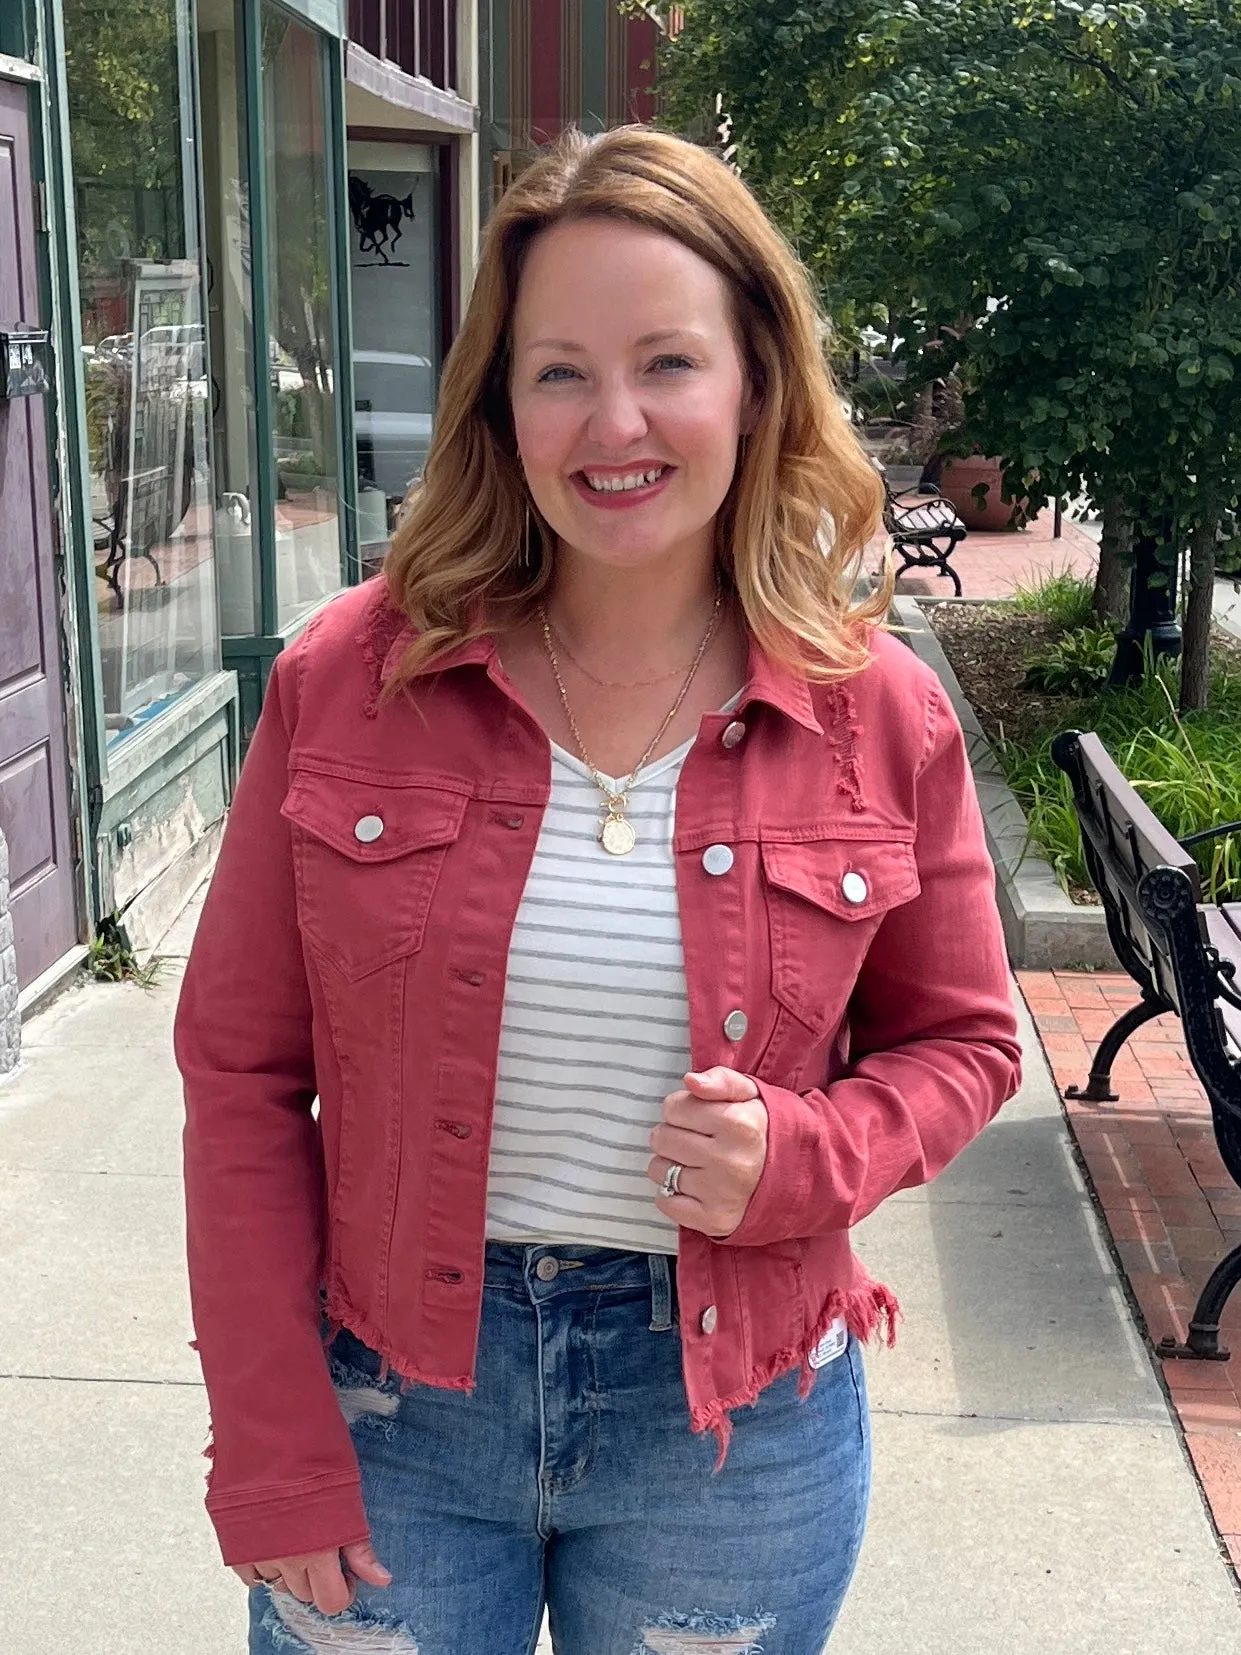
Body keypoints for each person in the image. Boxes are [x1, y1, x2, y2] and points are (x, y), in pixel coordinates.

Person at [176, 125, 1022, 1655]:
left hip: (732, 1426)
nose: (612, 420)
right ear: (500, 406)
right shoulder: (350, 678)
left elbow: (964, 1043)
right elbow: (238, 1074)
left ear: (754, 380)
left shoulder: (874, 714)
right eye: (558, 368)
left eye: (667, 363)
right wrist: (271, 1447)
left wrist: (807, 1151)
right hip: (394, 1401)